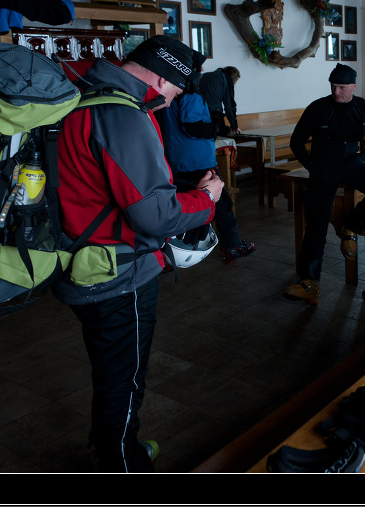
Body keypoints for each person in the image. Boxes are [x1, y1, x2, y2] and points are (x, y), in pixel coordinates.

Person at [55, 35, 224, 472]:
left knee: (111, 369)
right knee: (124, 377)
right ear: (160, 74)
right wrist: (207, 200)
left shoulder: (85, 96)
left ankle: (113, 446)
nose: (169, 103)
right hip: (118, 272)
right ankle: (120, 463)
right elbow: (155, 215)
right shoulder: (122, 114)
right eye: (174, 91)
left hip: (82, 256)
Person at [282, 63, 365, 306]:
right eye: (333, 87)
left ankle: (351, 228)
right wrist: (311, 166)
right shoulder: (318, 107)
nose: (337, 92)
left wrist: (361, 158)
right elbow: (296, 141)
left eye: (342, 87)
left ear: (353, 86)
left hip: (352, 162)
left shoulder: (363, 108)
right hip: (323, 166)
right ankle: (310, 283)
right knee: (316, 224)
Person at [159, 88, 255, 264]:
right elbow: (193, 127)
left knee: (184, 205)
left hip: (178, 158)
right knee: (221, 204)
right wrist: (217, 126)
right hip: (197, 161)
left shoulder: (169, 96)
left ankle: (171, 251)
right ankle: (231, 246)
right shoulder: (191, 95)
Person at [198, 65, 241, 136]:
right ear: (233, 77)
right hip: (214, 115)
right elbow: (229, 106)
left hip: (199, 114)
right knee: (224, 131)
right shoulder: (226, 79)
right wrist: (234, 126)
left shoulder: (205, 75)